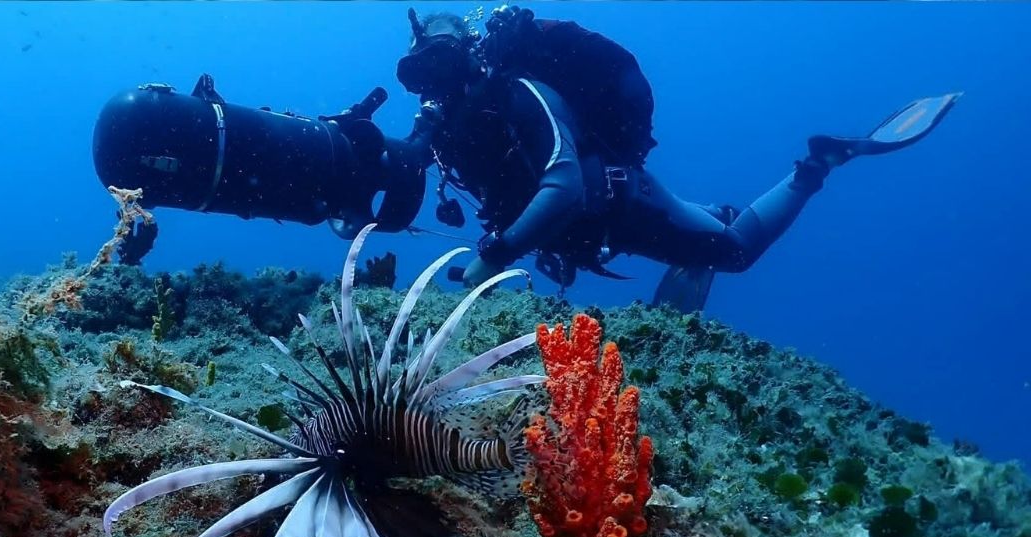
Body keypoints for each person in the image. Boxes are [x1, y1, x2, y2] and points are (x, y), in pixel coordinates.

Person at [395, 7, 960, 311]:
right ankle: (714, 209)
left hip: (617, 201)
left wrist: (496, 252)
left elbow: (564, 186)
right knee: (705, 226)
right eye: (421, 68)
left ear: (470, 53)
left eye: (442, 57)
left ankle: (816, 167)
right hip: (581, 226)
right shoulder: (449, 127)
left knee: (733, 254)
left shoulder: (516, 92)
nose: (435, 79)